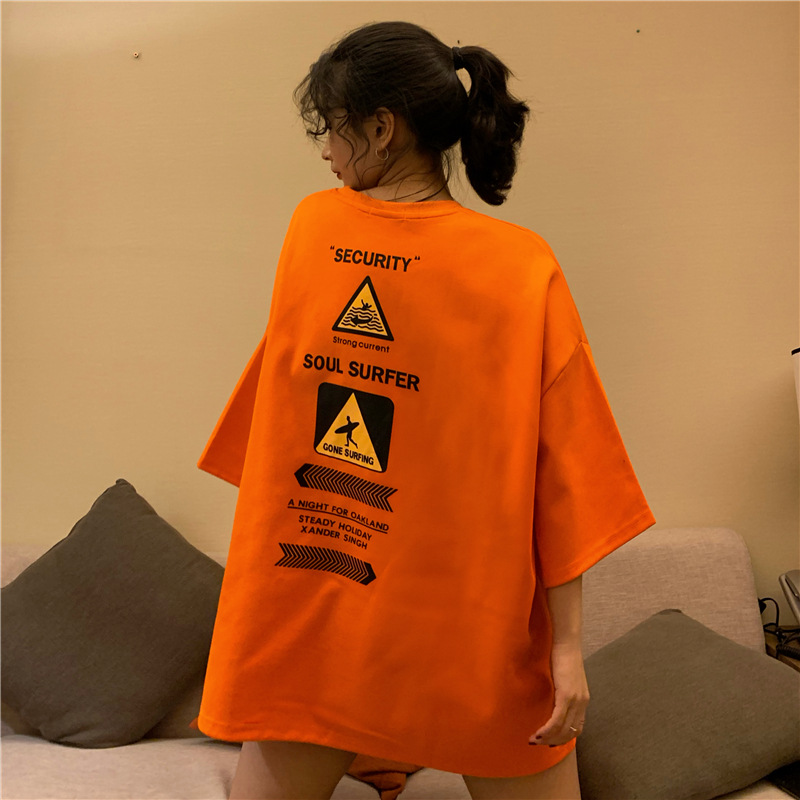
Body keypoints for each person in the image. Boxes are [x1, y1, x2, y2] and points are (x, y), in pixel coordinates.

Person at [194, 20, 655, 800]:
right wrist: (564, 649)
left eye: (332, 128)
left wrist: (566, 654)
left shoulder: (323, 229)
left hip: (329, 614)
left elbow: (556, 467)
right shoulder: (513, 262)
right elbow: (567, 475)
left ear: (382, 128)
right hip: (424, 625)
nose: (326, 152)